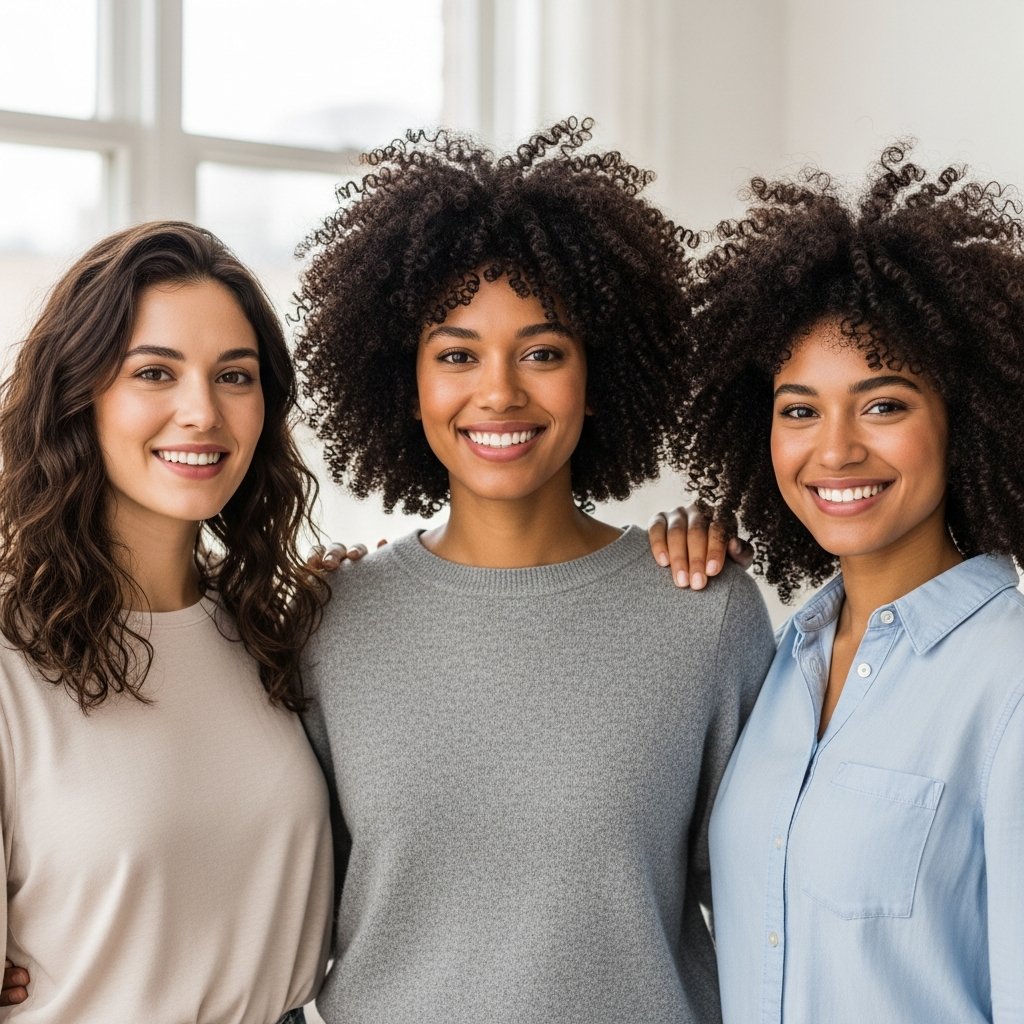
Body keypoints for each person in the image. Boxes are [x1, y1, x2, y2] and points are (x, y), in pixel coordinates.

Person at [292, 117, 776, 1024]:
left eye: (544, 352)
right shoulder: (330, 619)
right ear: (410, 383)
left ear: (599, 380)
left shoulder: (704, 612)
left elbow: (775, 904)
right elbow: (265, 891)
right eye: (457, 354)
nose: (500, 392)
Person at [651, 144, 1024, 1023]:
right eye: (799, 410)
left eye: (884, 404)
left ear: (965, 421)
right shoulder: (782, 661)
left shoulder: (1009, 683)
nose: (836, 450)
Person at [0, 222, 333, 1023]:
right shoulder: (12, 660)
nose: (202, 412)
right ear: (80, 395)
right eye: (155, 372)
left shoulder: (272, 631)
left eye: (235, 376)